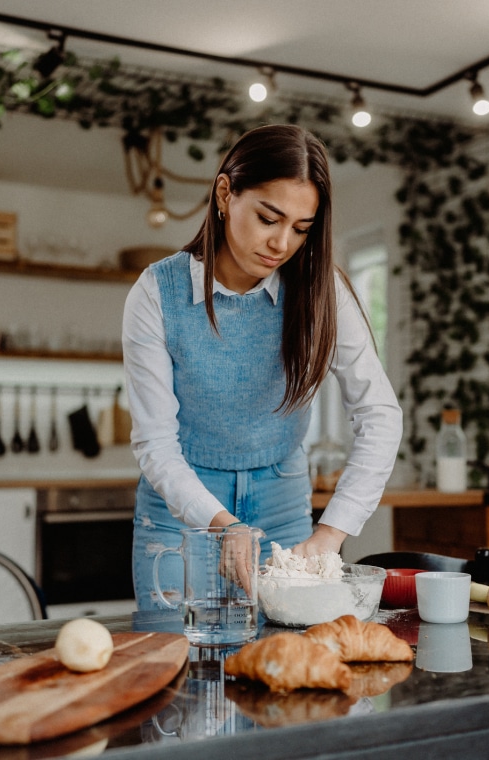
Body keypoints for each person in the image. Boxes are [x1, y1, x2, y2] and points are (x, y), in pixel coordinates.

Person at [122, 124, 402, 610]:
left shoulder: (321, 293)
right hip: (182, 513)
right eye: (268, 218)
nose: (281, 243)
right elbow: (155, 443)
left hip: (284, 508)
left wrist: (330, 534)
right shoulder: (156, 293)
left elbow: (380, 414)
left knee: (287, 666)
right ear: (226, 193)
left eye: (300, 228)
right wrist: (223, 525)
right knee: (178, 666)